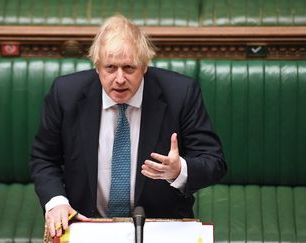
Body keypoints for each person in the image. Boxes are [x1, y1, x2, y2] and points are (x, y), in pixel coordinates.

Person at [29, 15, 227, 238]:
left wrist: (179, 170)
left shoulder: (181, 93)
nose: (120, 78)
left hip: (160, 226)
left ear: (144, 66)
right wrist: (56, 202)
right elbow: (44, 158)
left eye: (129, 67)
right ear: (97, 67)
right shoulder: (65, 94)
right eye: (110, 67)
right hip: (87, 225)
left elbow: (214, 162)